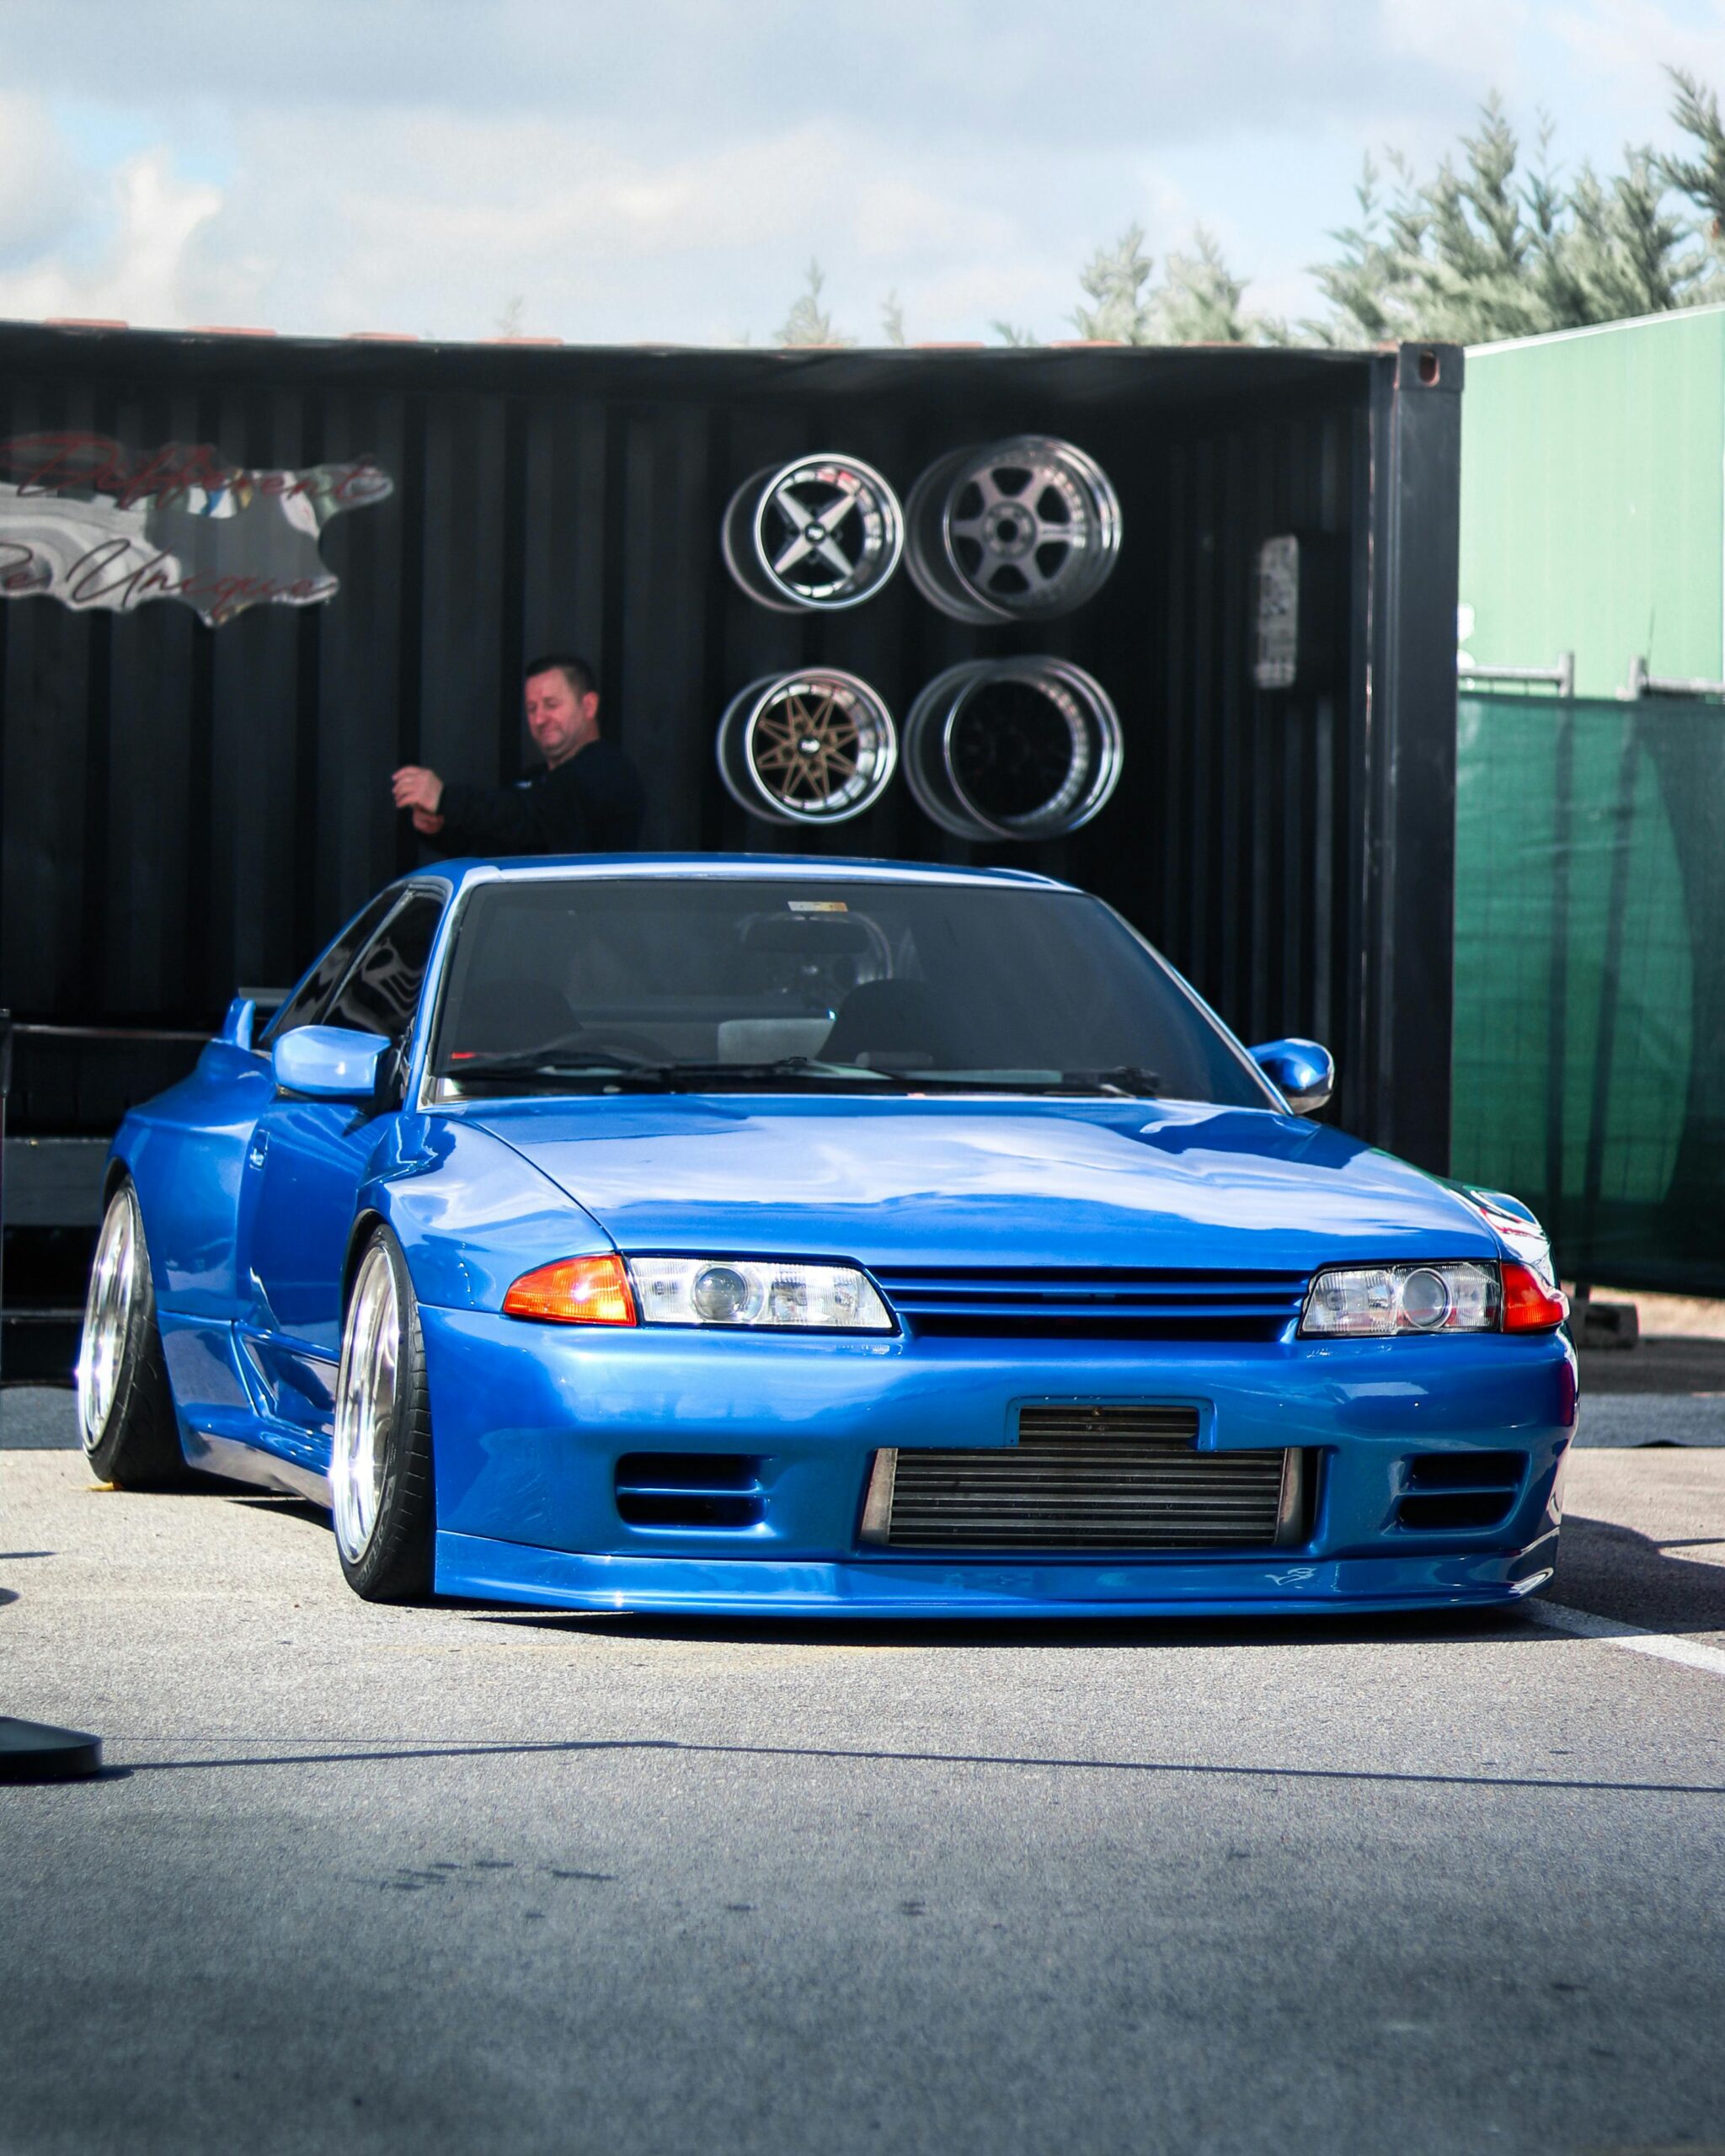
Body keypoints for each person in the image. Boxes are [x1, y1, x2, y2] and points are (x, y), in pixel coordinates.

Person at [391, 652, 645, 855]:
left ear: (589, 705)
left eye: (551, 704)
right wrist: (439, 828)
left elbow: (534, 819)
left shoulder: (609, 770)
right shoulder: (533, 780)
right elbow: (497, 842)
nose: (539, 719)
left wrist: (446, 799)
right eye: (531, 708)